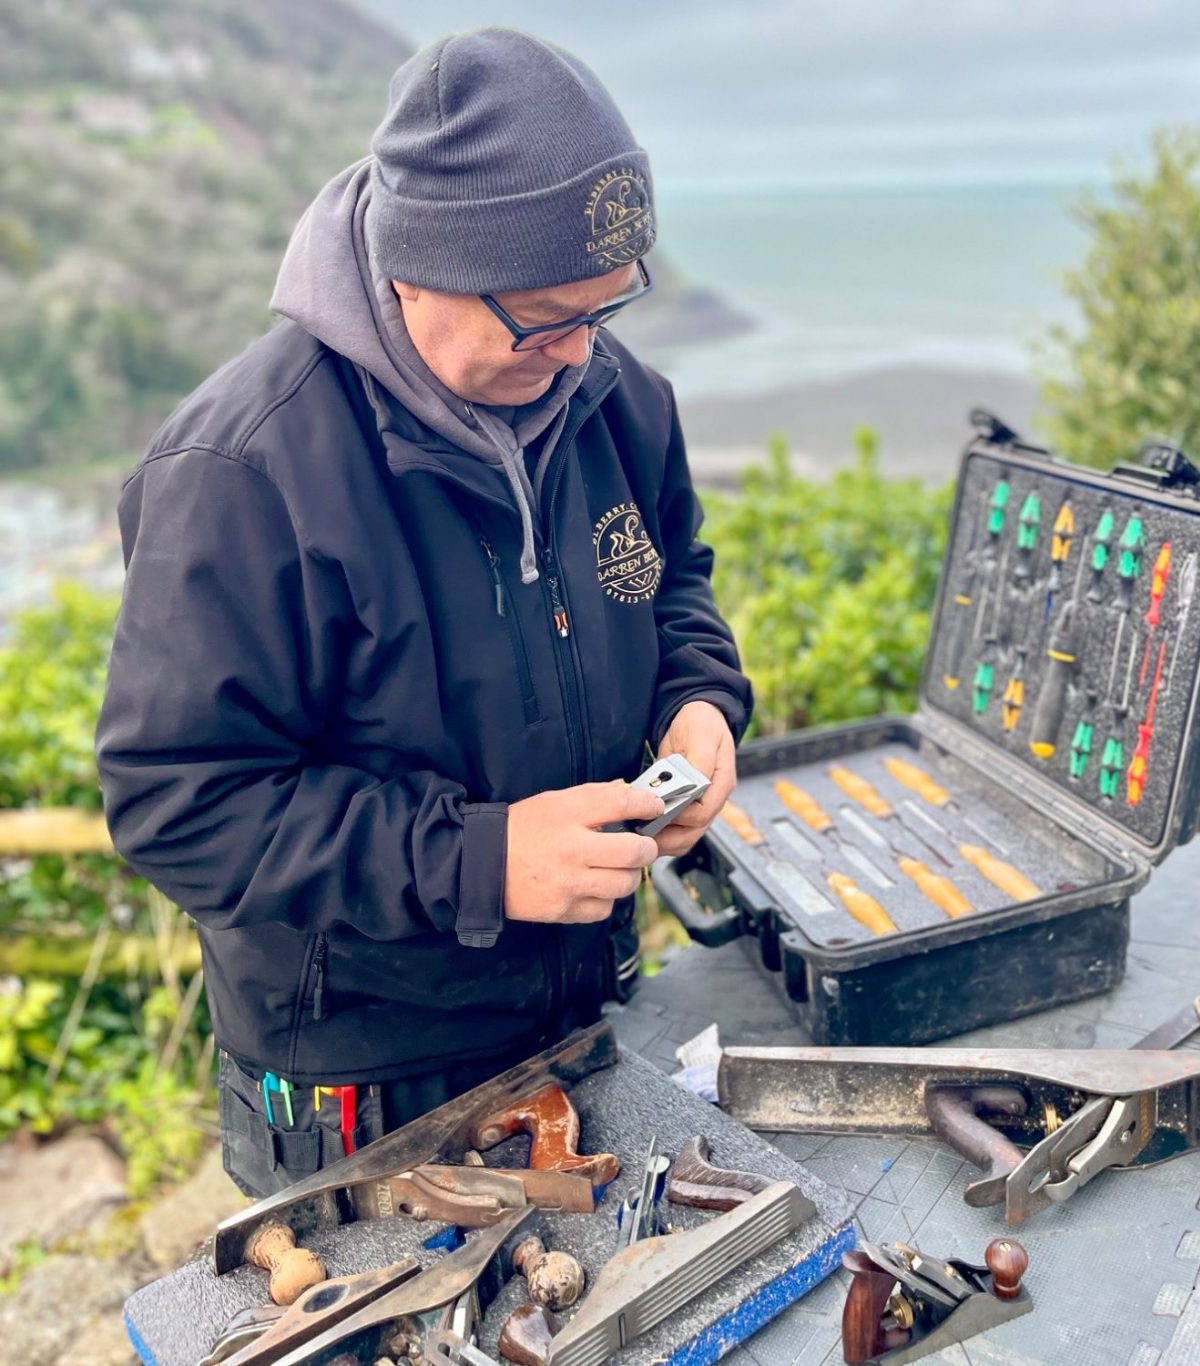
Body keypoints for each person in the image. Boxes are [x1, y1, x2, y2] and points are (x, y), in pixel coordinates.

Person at [94, 27, 752, 1197]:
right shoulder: (240, 471)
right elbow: (177, 803)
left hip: (580, 1012)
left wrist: (699, 697)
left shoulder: (618, 398)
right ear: (420, 268)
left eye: (605, 307)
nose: (579, 352)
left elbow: (671, 580)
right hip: (360, 1081)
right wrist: (477, 862)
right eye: (542, 317)